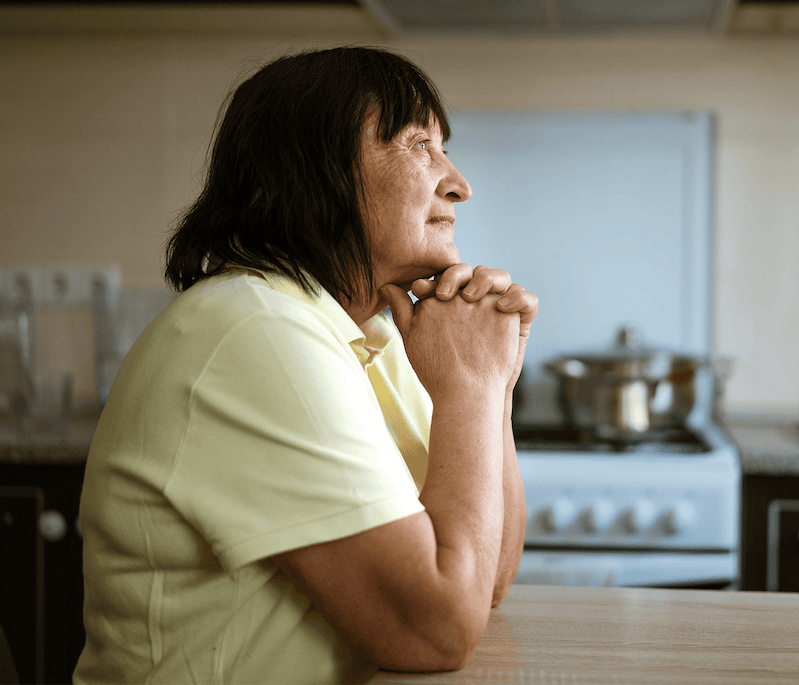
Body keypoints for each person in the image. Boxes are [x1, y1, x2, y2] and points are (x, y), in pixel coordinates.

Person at [74, 46, 538, 684]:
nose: (458, 183)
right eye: (419, 146)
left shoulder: (367, 331)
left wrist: (493, 379)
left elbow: (487, 579)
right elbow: (436, 631)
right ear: (320, 172)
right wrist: (470, 393)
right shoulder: (254, 332)